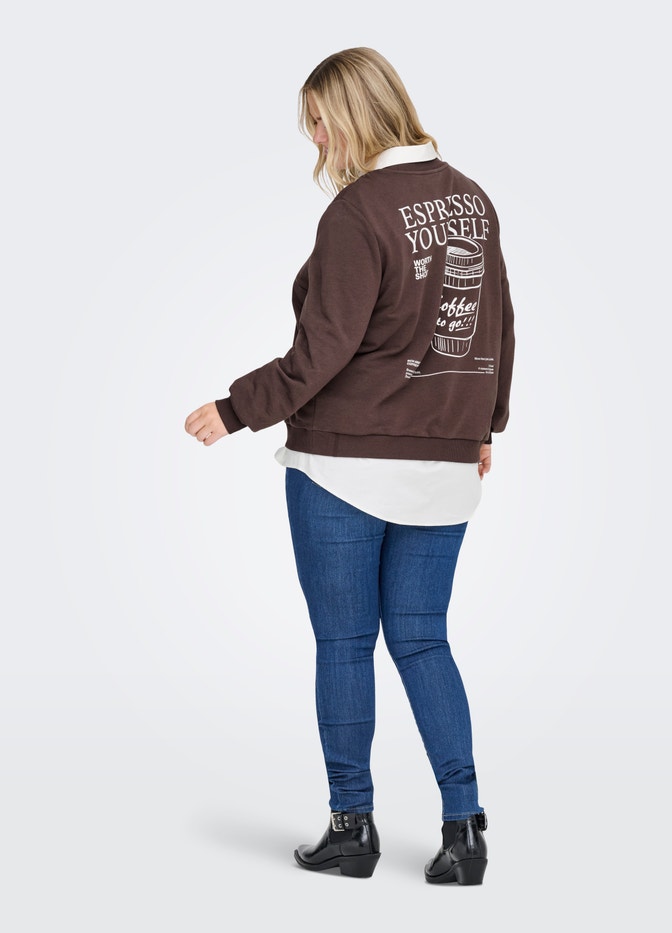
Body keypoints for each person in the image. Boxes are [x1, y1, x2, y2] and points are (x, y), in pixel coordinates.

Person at [184, 47, 515, 885]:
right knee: (423, 638)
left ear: (352, 116)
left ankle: (351, 828)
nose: (318, 142)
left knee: (344, 642)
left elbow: (321, 351)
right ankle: (465, 831)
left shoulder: (358, 211)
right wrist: (486, 425)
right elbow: (497, 325)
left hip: (342, 465)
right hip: (445, 464)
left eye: (320, 124)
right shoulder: (472, 200)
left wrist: (235, 408)